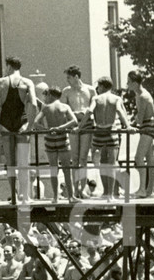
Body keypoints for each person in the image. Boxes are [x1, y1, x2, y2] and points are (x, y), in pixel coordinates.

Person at [0, 56, 38, 203]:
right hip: (21, 124)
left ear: (8, 67)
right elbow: (34, 105)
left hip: (5, 126)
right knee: (23, 162)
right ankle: (25, 196)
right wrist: (30, 126)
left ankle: (13, 196)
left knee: (10, 163)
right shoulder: (27, 82)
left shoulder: (0, 82)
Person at [81, 77, 133, 200]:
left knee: (102, 163)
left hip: (99, 131)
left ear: (102, 86)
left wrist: (79, 127)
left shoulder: (96, 98)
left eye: (98, 87)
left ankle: (106, 192)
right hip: (111, 131)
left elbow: (89, 111)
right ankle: (110, 194)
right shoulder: (116, 99)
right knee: (112, 163)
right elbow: (120, 112)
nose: (97, 89)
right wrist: (128, 126)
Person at [32, 85, 78, 204]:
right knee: (66, 169)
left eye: (46, 95)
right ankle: (71, 196)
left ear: (51, 95)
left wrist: (47, 129)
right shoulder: (65, 107)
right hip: (63, 138)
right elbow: (74, 121)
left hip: (50, 140)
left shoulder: (46, 108)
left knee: (53, 169)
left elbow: (36, 123)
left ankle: (55, 197)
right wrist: (60, 128)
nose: (46, 98)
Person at [60, 65, 97, 198]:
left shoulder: (90, 90)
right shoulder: (66, 91)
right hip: (74, 124)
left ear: (76, 77)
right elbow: (64, 108)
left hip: (86, 123)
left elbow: (94, 106)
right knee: (74, 158)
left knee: (83, 158)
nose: (67, 80)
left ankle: (82, 189)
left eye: (69, 77)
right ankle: (75, 189)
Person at [127, 70, 154, 198]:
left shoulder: (143, 96)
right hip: (148, 126)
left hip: (148, 127)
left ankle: (142, 189)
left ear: (135, 83)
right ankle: (150, 190)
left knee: (138, 158)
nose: (127, 84)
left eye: (129, 82)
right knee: (150, 159)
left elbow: (139, 119)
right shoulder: (138, 95)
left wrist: (129, 125)